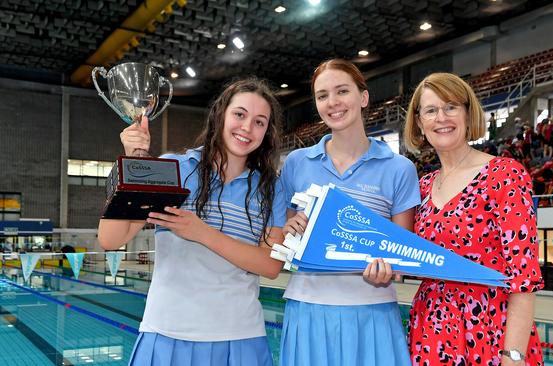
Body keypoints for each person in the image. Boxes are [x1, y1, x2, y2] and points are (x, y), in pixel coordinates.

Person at [98, 78, 286, 366]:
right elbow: (111, 238)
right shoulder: (177, 169)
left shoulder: (270, 188)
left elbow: (271, 266)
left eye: (260, 122)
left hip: (239, 336)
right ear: (220, 115)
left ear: (267, 131)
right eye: (239, 114)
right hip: (168, 332)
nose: (247, 128)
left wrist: (201, 233)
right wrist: (132, 160)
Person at [279, 59, 420, 366]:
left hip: (373, 311)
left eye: (342, 91)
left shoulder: (399, 169)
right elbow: (285, 235)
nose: (332, 103)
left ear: (363, 97)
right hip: (308, 308)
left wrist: (390, 267)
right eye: (322, 95)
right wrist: (290, 232)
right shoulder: (296, 163)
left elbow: (403, 253)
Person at [403, 72, 544, 365]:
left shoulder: (505, 175)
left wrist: (513, 356)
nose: (441, 117)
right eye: (431, 110)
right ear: (419, 122)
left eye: (451, 106)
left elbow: (524, 278)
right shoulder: (422, 187)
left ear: (468, 113)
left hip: (490, 330)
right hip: (431, 331)